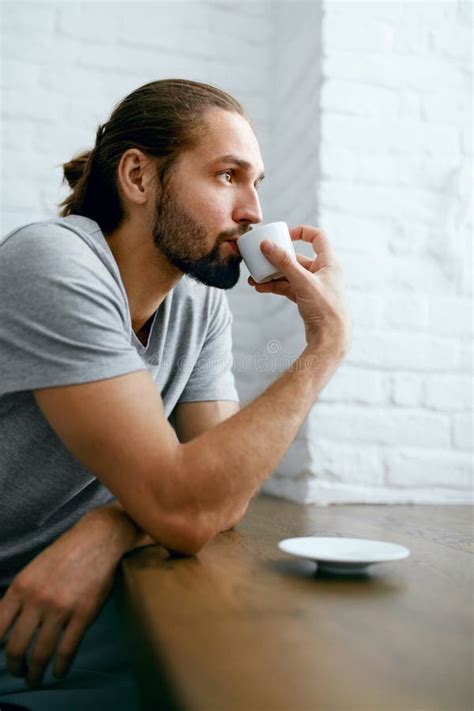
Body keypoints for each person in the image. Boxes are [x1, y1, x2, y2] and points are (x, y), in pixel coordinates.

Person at [0, 78, 351, 708]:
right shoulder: (50, 263)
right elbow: (187, 511)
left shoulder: (197, 304)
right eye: (226, 176)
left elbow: (220, 496)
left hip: (115, 619)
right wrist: (324, 347)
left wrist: (112, 525)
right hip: (21, 643)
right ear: (138, 176)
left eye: (257, 183)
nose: (252, 210)